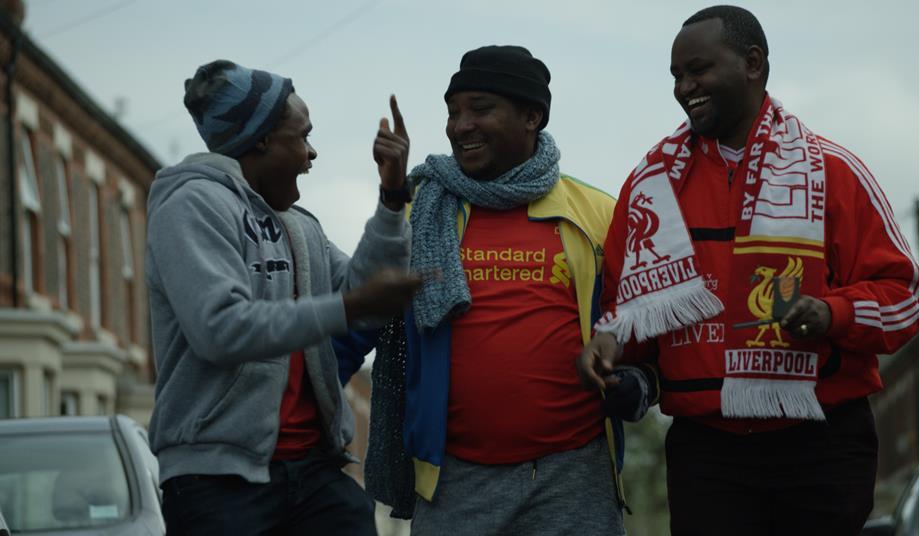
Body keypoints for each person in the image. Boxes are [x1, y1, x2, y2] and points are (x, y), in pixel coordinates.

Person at [577, 6, 919, 535]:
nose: (684, 86)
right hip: (707, 451)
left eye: (697, 69)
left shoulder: (832, 170)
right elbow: (626, 324)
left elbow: (908, 296)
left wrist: (832, 313)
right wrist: (612, 351)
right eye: (675, 75)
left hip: (821, 443)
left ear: (753, 64)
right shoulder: (649, 186)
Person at [145, 59, 420, 535]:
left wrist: (392, 197)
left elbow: (361, 291)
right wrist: (349, 307)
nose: (311, 153)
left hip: (312, 471)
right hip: (217, 481)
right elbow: (220, 329)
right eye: (303, 136)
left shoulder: (297, 224)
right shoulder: (190, 206)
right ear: (263, 139)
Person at [369, 45, 625, 535]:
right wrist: (390, 194)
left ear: (532, 116)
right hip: (455, 481)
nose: (460, 125)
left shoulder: (596, 213)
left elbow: (635, 321)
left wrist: (636, 378)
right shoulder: (422, 209)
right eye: (453, 111)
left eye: (480, 109)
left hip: (573, 477)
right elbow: (364, 303)